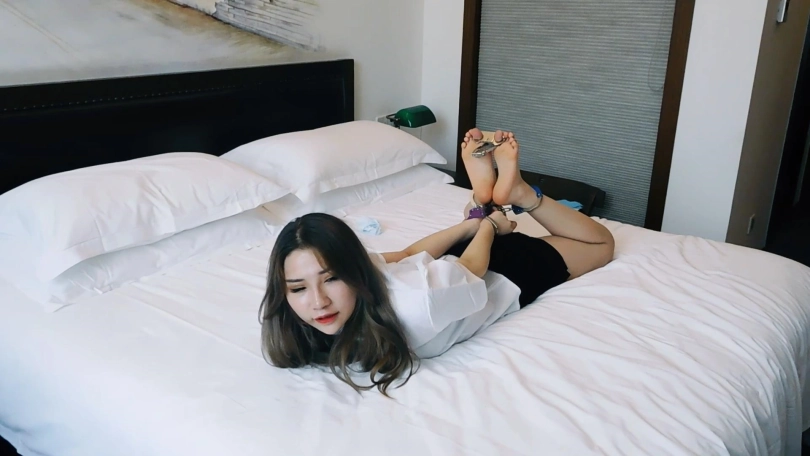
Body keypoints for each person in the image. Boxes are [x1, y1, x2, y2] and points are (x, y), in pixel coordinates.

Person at [258, 129, 615, 396]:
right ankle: (481, 204)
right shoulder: (296, 318)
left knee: (600, 244)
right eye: (298, 288)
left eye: (331, 279)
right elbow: (407, 253)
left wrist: (489, 227)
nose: (318, 302)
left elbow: (471, 268)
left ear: (352, 271)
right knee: (466, 240)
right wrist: (470, 225)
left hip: (497, 271)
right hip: (447, 267)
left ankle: (519, 193)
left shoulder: (416, 305)